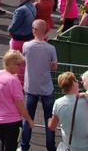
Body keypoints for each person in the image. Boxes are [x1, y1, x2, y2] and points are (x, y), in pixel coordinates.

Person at [21, 19, 58, 151]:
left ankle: (24, 146)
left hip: (31, 87)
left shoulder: (26, 46)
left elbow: (24, 60)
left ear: (35, 30)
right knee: (49, 120)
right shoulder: (50, 48)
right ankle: (50, 147)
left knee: (28, 118)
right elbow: (54, 67)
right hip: (47, 88)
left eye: (32, 28)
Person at [0, 49, 33, 151]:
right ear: (11, 63)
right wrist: (29, 120)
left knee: (4, 144)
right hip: (12, 121)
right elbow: (20, 105)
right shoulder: (13, 81)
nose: (21, 67)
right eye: (19, 64)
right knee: (11, 147)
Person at [47, 72, 88, 151]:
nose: (78, 81)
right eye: (75, 80)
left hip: (69, 147)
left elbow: (52, 127)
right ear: (73, 84)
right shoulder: (87, 101)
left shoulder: (58, 103)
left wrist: (49, 120)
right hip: (87, 148)